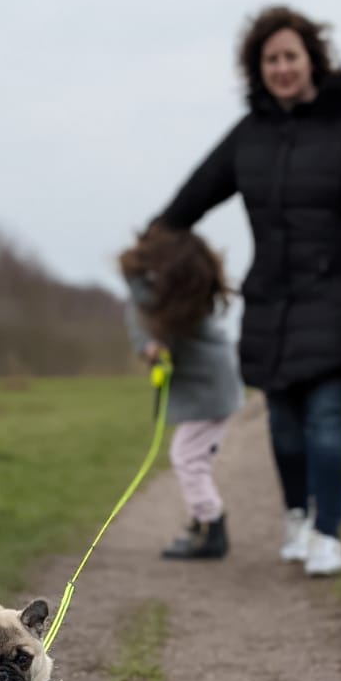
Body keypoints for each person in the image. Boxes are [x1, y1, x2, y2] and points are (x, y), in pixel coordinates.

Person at [151, 5, 341, 576]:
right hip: (272, 304)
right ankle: (297, 517)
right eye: (271, 59)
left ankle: (328, 534)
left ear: (312, 59)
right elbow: (189, 201)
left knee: (326, 417)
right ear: (257, 68)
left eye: (291, 55)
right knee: (284, 426)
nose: (282, 67)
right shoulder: (250, 135)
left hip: (340, 297)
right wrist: (152, 247)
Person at [119, 224, 243, 560]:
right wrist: (149, 348)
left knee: (187, 457)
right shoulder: (151, 299)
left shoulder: (180, 301)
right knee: (193, 457)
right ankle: (204, 521)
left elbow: (148, 313)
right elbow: (142, 323)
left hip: (211, 392)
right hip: (209, 391)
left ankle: (212, 525)